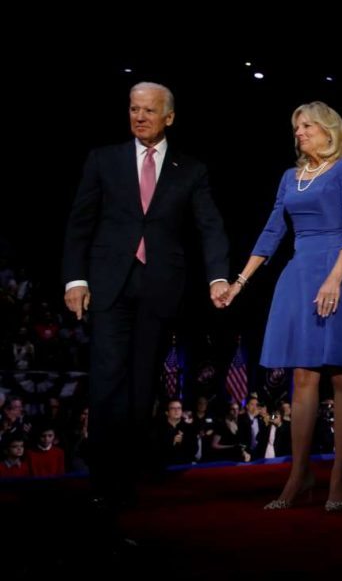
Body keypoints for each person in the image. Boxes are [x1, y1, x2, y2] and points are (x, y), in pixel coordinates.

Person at [221, 101, 342, 512]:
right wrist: (239, 283)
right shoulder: (291, 177)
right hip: (300, 276)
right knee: (302, 376)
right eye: (296, 127)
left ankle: (339, 476)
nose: (298, 132)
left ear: (328, 130)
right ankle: (299, 474)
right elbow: (272, 231)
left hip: (341, 272)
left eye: (306, 126)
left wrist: (335, 278)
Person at [62, 81, 230, 507]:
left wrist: (217, 277)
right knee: (106, 380)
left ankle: (130, 474)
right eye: (134, 109)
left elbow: (209, 225)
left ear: (169, 117)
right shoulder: (104, 159)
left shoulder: (190, 170)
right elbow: (80, 223)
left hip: (159, 288)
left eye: (149, 110)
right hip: (109, 286)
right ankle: (103, 481)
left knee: (142, 386)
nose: (139, 116)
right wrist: (75, 279)